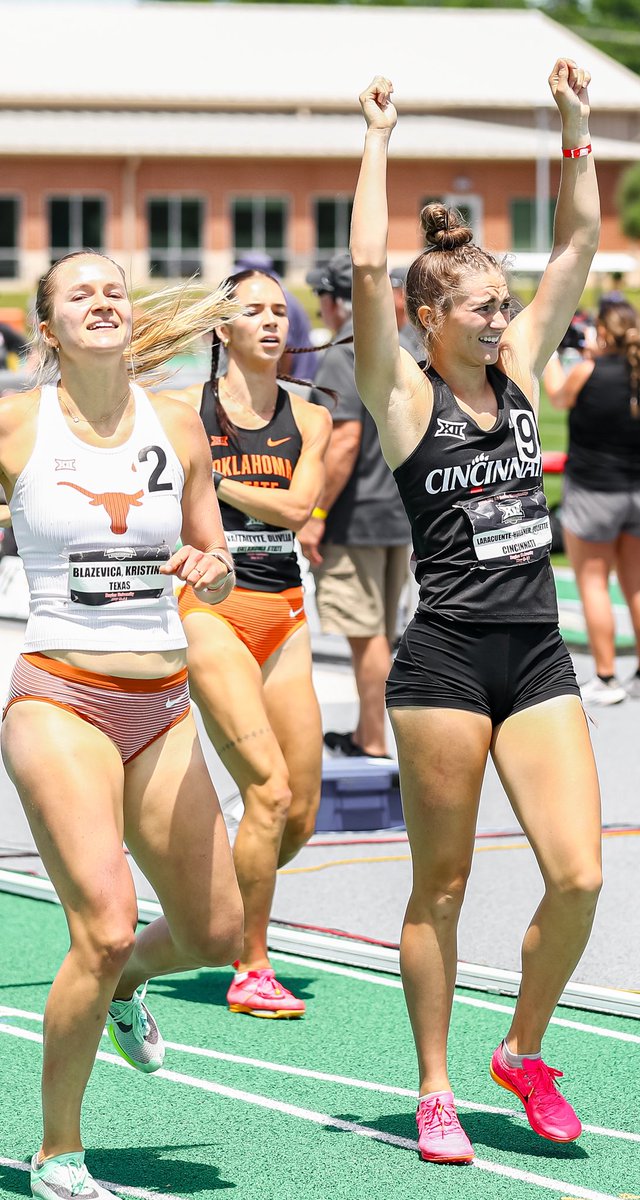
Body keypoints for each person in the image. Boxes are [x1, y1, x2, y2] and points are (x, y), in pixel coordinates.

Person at [350, 62, 602, 1164]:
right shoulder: (404, 396)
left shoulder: (527, 377)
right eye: (486, 306)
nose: (506, 317)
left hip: (536, 653)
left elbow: (581, 246)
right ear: (429, 317)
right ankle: (437, 1087)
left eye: (508, 303)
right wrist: (378, 137)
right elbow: (364, 261)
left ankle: (524, 1049)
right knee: (442, 885)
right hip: (445, 661)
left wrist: (576, 124)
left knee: (580, 874)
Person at [0, 251, 244, 1200]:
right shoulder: (18, 427)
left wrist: (210, 571)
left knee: (217, 931)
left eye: (115, 290)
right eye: (80, 294)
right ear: (48, 329)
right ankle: (59, 1150)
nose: (103, 302)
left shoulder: (177, 425)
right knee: (99, 928)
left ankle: (130, 989)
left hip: (163, 699)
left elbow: (215, 553)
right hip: (59, 695)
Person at [167, 268, 332, 1017]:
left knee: (296, 811)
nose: (271, 322)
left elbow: (299, 508)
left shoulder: (312, 415)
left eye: (279, 311)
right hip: (207, 608)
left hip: (286, 609)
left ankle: (221, 903)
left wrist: (205, 477)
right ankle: (253, 962)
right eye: (252, 311)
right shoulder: (180, 412)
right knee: (266, 788)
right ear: (219, 329)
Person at [299, 253, 412, 760]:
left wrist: (316, 514)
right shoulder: (407, 345)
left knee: (366, 638)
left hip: (355, 513)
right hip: (402, 509)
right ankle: (374, 735)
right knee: (383, 635)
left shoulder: (344, 353)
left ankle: (373, 740)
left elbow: (342, 445)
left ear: (333, 300)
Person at [546, 299, 640, 705]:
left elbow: (558, 397)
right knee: (638, 584)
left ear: (603, 331)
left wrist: (549, 351)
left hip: (595, 490)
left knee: (594, 583)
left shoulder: (587, 371)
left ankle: (606, 676)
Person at [233, 251, 319, 380]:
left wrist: (278, 385)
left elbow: (285, 351)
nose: (271, 320)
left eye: (279, 313)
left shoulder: (282, 299)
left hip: (296, 379)